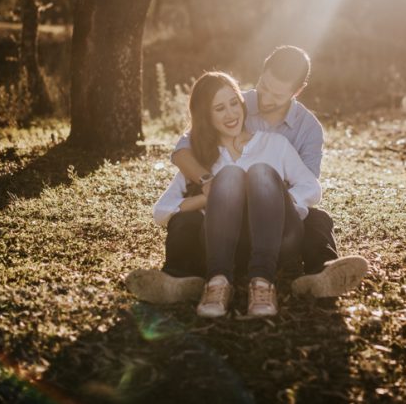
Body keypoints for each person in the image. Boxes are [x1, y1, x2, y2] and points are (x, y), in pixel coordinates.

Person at [126, 46, 367, 305]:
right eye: (264, 86)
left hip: (275, 233)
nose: (265, 98)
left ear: (295, 92)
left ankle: (322, 274)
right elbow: (188, 147)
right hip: (220, 236)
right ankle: (176, 280)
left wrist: (274, 203)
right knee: (185, 221)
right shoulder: (236, 103)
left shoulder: (296, 135)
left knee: (317, 218)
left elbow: (309, 186)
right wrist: (211, 191)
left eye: (277, 94)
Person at [149, 71, 321, 317]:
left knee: (261, 173)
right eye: (219, 108)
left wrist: (277, 201)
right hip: (223, 244)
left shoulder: (274, 144)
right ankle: (218, 282)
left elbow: (311, 188)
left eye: (234, 103)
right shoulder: (201, 157)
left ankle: (263, 281)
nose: (231, 114)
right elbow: (162, 211)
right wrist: (213, 196)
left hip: (276, 241)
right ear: (206, 116)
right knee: (229, 176)